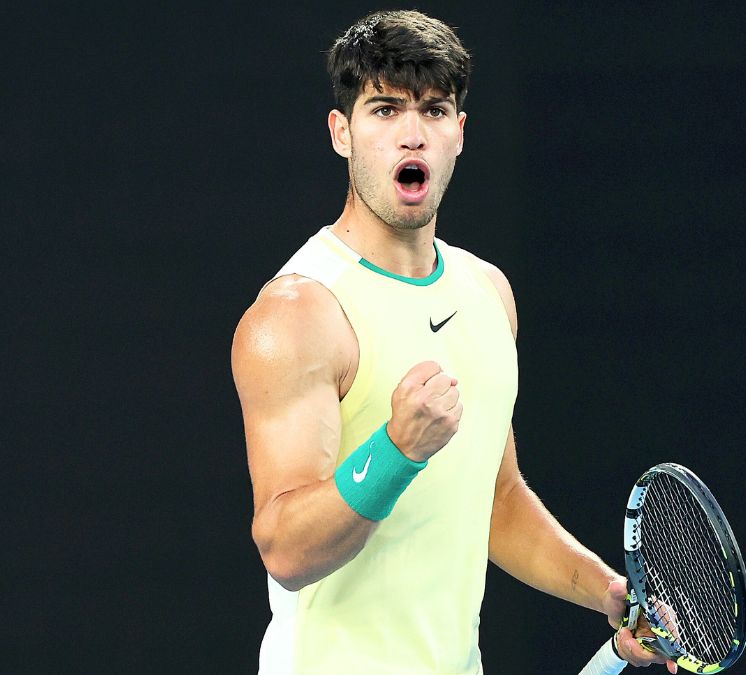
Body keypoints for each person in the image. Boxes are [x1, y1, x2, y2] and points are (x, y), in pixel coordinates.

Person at [231, 10, 675, 674]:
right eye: (384, 110)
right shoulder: (299, 313)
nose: (413, 134)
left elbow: (496, 499)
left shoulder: (487, 293)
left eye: (434, 111)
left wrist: (607, 591)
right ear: (341, 133)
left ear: (459, 134)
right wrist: (395, 450)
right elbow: (286, 548)